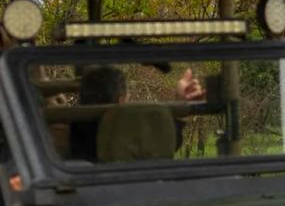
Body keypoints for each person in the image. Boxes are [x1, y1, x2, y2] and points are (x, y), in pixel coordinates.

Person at [69, 66, 205, 161]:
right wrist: (181, 106)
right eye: (128, 98)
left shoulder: (67, 131)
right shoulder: (128, 134)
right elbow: (162, 143)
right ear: (121, 100)